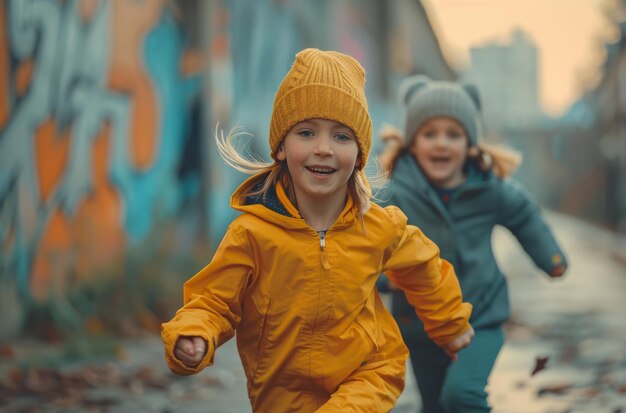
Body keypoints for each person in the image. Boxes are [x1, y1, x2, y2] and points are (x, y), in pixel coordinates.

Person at [161, 49, 474, 413]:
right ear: (281, 147)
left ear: (358, 155)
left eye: (341, 137)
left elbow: (425, 268)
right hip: (279, 390)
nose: (323, 149)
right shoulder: (251, 234)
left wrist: (450, 324)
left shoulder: (379, 226)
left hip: (369, 373)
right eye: (306, 133)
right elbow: (215, 299)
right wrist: (194, 332)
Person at [377, 75, 568, 413]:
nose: (441, 144)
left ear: (470, 143)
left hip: (481, 316)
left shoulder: (488, 187)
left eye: (454, 134)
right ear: (412, 142)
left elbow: (524, 215)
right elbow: (368, 241)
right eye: (429, 133)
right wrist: (380, 278)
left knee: (462, 396)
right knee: (435, 405)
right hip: (420, 323)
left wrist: (549, 256)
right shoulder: (395, 192)